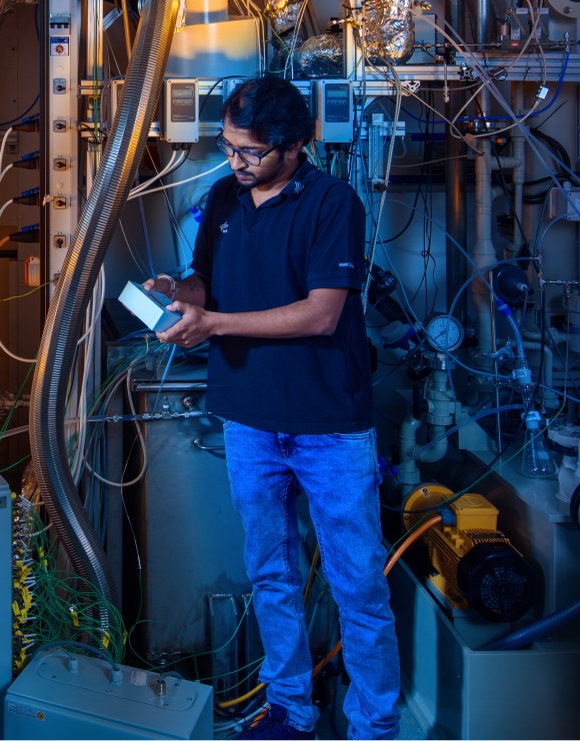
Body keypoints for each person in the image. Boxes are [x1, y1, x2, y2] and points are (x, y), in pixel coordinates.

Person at [148, 75, 401, 740]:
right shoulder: (223, 196)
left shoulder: (331, 202)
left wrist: (216, 325)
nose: (236, 161)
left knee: (358, 585)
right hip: (250, 417)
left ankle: (375, 726)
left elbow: (322, 313)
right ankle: (290, 708)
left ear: (295, 147)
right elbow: (206, 278)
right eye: (229, 146)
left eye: (250, 152)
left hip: (328, 425)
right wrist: (179, 287)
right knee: (271, 571)